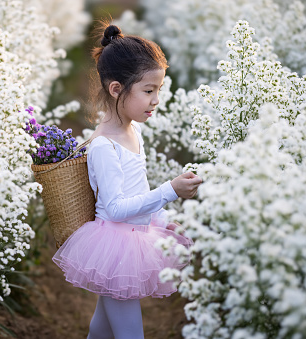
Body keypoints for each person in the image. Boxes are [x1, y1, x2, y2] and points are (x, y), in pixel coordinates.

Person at [52, 24, 203, 339]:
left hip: (133, 240)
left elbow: (140, 190)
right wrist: (170, 192)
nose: (156, 100)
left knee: (103, 329)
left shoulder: (133, 132)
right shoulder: (104, 146)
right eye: (149, 90)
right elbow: (117, 208)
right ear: (117, 89)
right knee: (130, 334)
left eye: (158, 90)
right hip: (116, 250)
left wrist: (163, 220)